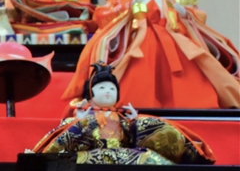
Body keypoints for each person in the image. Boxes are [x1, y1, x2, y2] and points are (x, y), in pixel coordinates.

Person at [63, 0, 240, 109]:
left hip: (172, 38)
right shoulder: (121, 1)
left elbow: (194, 15)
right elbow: (103, 15)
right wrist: (127, 8)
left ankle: (196, 104)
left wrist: (183, 12)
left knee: (189, 72)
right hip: (139, 40)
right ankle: (137, 103)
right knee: (140, 72)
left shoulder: (164, 0)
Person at [36, 63, 216, 164]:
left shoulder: (122, 118)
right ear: (90, 93)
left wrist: (135, 123)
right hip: (88, 159)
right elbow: (64, 139)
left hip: (124, 158)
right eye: (102, 88)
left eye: (112, 88)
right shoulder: (81, 115)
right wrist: (80, 121)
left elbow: (134, 139)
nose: (108, 92)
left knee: (148, 157)